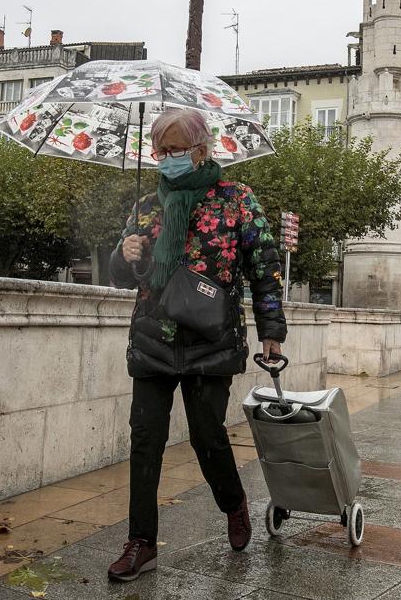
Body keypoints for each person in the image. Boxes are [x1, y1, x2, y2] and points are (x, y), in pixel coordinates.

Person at [107, 108, 286, 581]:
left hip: (211, 340)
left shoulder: (236, 199)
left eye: (176, 150)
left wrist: (271, 331)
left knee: (208, 436)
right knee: (146, 442)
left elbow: (265, 268)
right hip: (152, 338)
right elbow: (124, 276)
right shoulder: (147, 205)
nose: (167, 159)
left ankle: (233, 503)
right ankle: (141, 543)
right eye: (160, 150)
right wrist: (124, 255)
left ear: (202, 150)